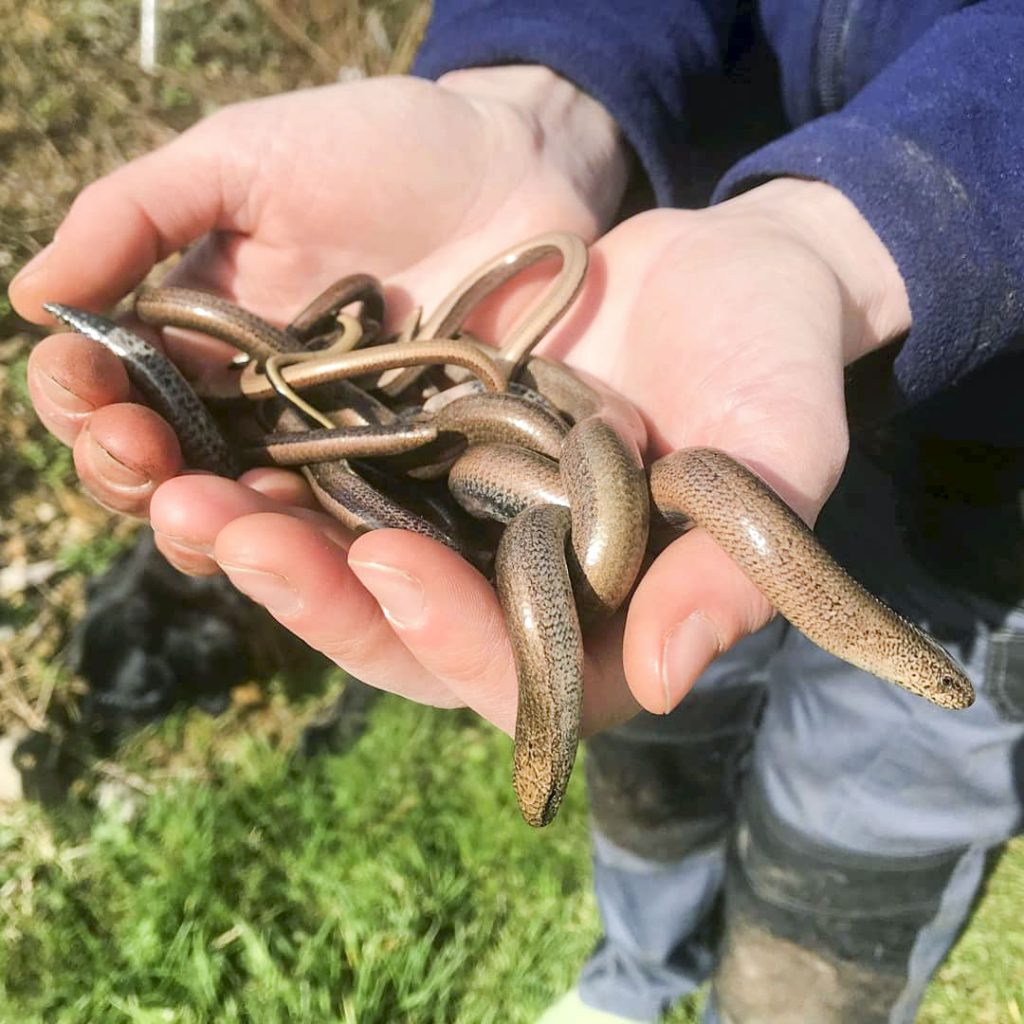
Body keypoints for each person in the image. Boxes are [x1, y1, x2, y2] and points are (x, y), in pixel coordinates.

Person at [9, 1, 1024, 1021]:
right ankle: (633, 981)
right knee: (662, 728)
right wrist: (537, 95)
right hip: (665, 371)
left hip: (981, 486)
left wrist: (866, 222)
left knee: (872, 819)